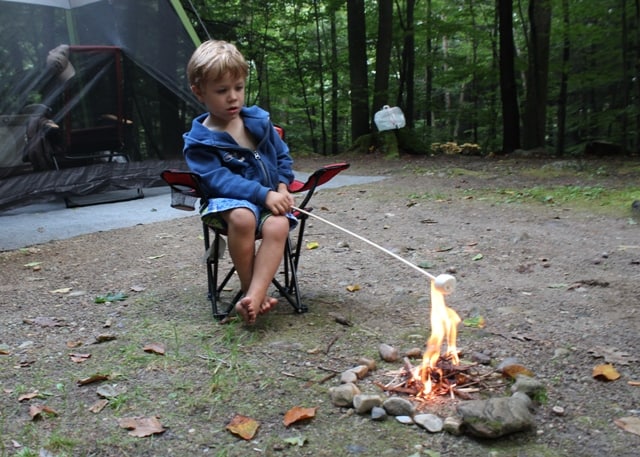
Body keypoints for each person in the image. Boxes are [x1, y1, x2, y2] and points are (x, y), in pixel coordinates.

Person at [183, 40, 296, 325]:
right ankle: (252, 292)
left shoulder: (258, 122)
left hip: (268, 197)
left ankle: (253, 298)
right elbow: (218, 181)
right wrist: (262, 194)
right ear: (199, 93)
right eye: (222, 91)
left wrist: (282, 187)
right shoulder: (199, 141)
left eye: (239, 88)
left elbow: (283, 158)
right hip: (226, 204)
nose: (233, 97)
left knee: (279, 223)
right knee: (244, 218)